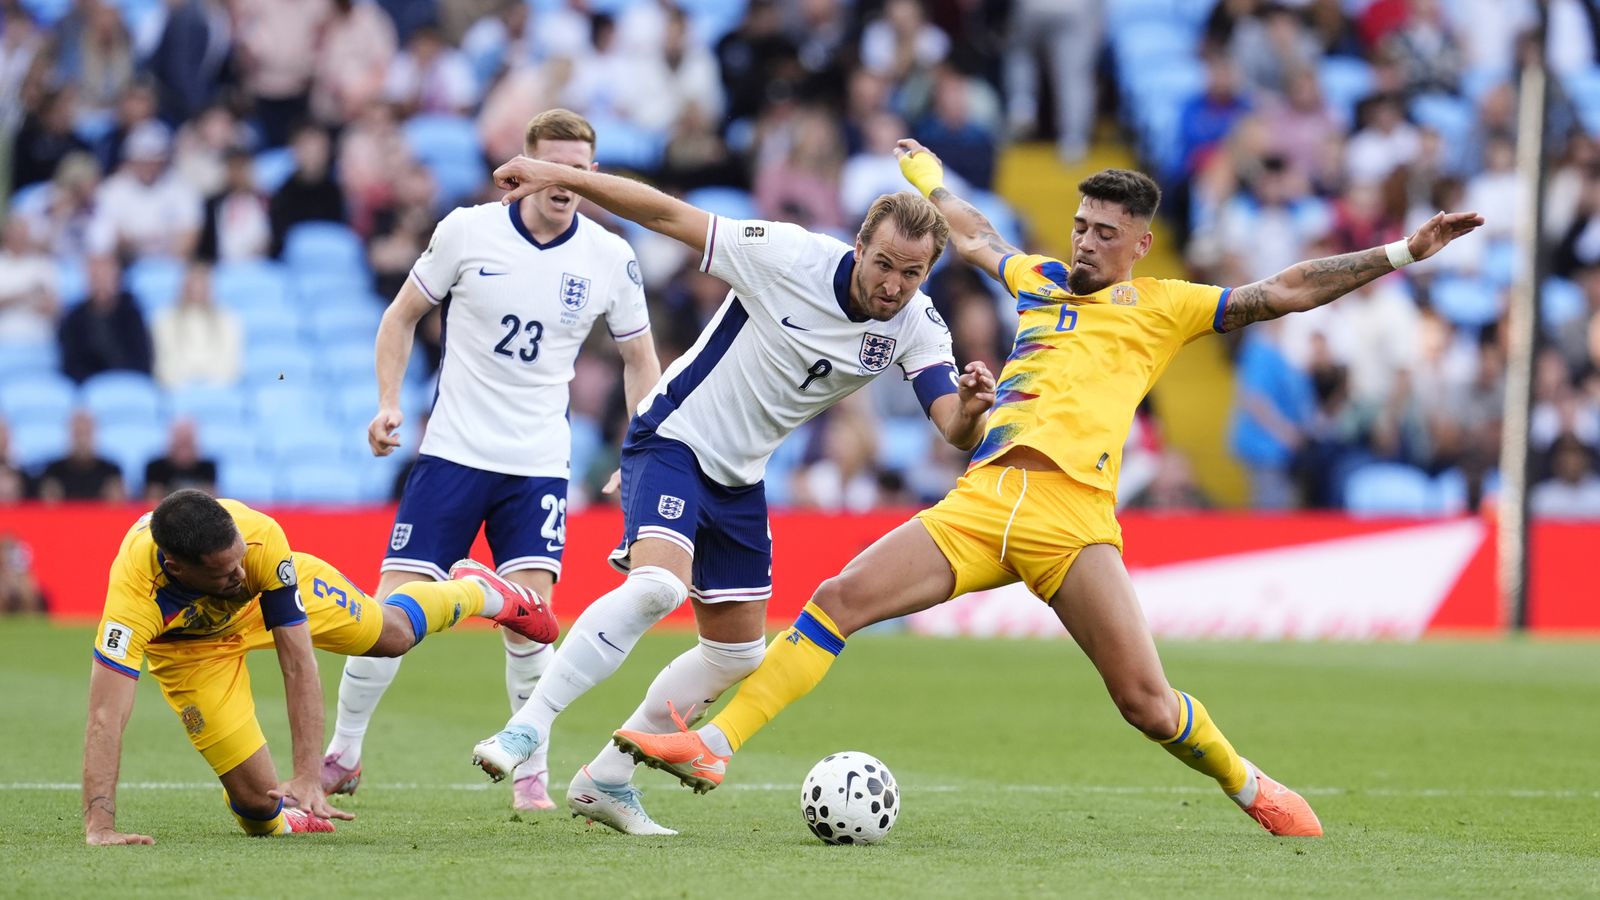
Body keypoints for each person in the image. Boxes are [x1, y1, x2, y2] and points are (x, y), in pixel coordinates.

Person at [615, 140, 1484, 838]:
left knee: (1145, 702)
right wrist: (929, 179)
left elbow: (1285, 289)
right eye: (1080, 224)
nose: (1085, 241)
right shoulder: (1037, 281)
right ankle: (716, 745)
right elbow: (972, 235)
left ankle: (1249, 782)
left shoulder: (1166, 304)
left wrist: (1403, 251)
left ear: (1141, 242)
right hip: (983, 501)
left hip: (1073, 520)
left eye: (1106, 231)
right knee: (838, 597)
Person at [468, 157, 995, 836]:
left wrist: (976, 407)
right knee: (659, 587)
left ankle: (606, 778)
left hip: (741, 476)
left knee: (739, 655)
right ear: (859, 246)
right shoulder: (787, 256)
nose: (893, 284)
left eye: (911, 273)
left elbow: (951, 426)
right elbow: (665, 214)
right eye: (884, 263)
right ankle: (526, 727)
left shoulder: (917, 324)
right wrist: (552, 175)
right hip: (674, 437)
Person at [321, 109, 662, 814]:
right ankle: (344, 752)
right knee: (389, 618)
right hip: (452, 452)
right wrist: (389, 402)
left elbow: (639, 361)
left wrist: (642, 449)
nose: (567, 181)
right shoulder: (467, 231)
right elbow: (400, 316)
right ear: (526, 166)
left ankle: (531, 773)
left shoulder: (608, 256)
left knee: (531, 620)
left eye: (581, 169)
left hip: (537, 462)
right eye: (554, 166)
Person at [83, 489, 556, 845]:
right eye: (225, 572)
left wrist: (308, 773)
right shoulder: (132, 600)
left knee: (388, 636)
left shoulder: (259, 541)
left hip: (263, 606)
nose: (240, 574)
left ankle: (477, 591)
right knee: (256, 812)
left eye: (240, 560)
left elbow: (298, 661)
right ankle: (288, 813)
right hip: (190, 651)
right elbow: (106, 716)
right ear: (177, 568)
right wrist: (100, 826)